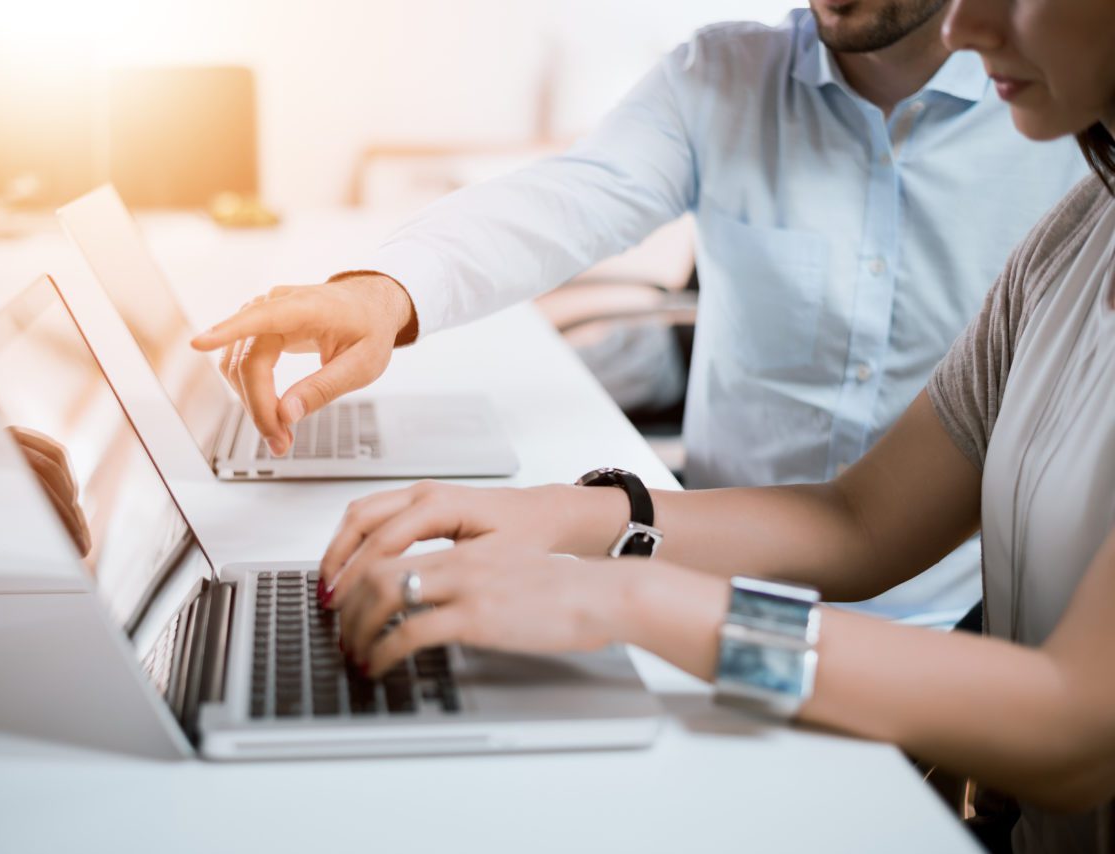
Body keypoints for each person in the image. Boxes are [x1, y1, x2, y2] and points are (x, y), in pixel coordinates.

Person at [311, 0, 1115, 848]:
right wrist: (573, 515)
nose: (964, 25)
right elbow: (859, 520)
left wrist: (631, 598)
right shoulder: (1071, 242)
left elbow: (1077, 733)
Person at [192, 0, 1089, 627]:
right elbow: (569, 198)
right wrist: (383, 294)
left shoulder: (1061, 138)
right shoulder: (722, 74)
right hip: (714, 575)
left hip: (946, 616)